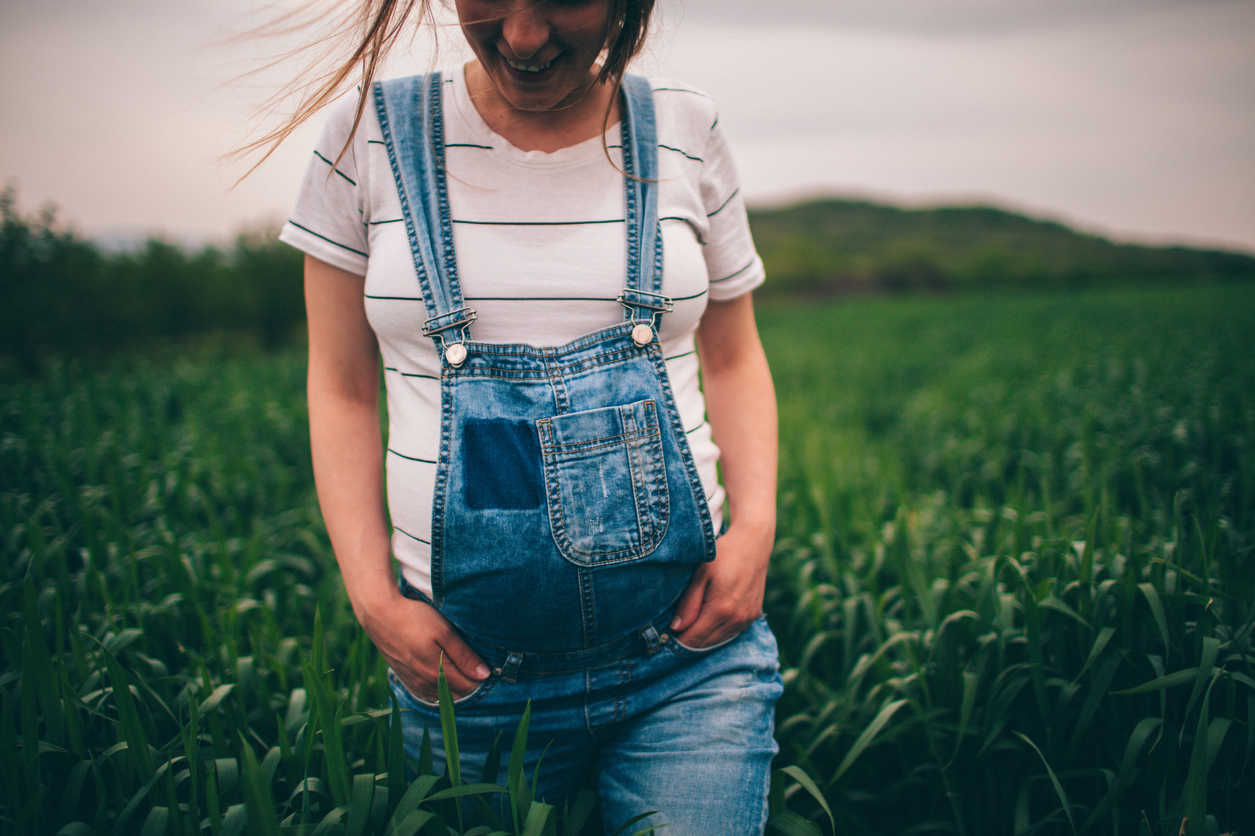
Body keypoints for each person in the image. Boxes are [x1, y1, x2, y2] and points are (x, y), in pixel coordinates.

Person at [276, 0, 782, 831]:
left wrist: (755, 527)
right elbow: (339, 386)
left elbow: (733, 355)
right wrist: (371, 597)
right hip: (468, 682)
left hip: (688, 661)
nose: (521, 36)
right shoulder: (367, 132)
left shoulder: (686, 126)